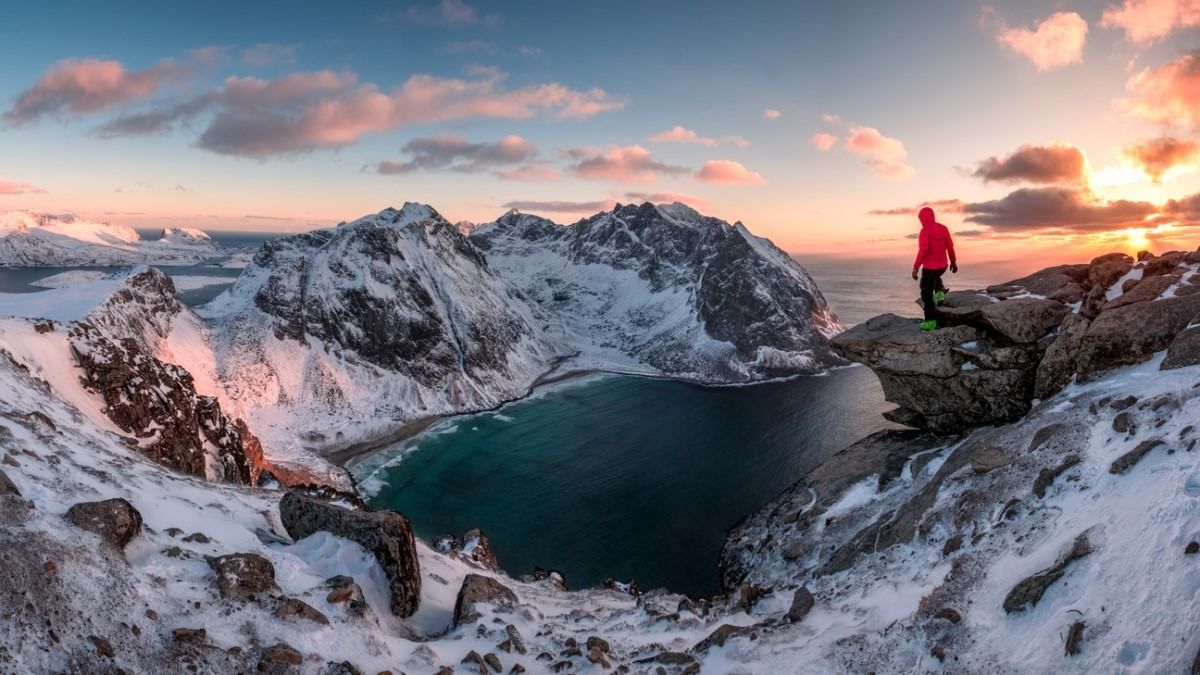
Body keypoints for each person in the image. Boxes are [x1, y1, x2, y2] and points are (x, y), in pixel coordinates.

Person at [911, 206, 957, 331]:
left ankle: (930, 321)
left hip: (929, 268)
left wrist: (915, 268)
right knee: (936, 276)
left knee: (926, 294)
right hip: (943, 266)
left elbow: (924, 250)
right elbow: (950, 247)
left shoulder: (925, 231)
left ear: (922, 219)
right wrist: (953, 262)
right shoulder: (943, 228)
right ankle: (940, 293)